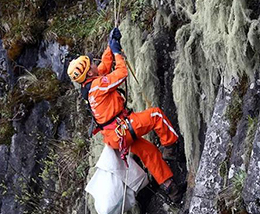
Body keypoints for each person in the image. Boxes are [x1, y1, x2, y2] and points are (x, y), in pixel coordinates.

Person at [67, 28, 186, 203]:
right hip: (122, 129)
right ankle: (170, 148)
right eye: (91, 63)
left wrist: (110, 44)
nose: (95, 63)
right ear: (89, 73)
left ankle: (171, 189)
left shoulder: (90, 85)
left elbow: (104, 66)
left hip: (115, 135)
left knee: (150, 152)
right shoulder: (98, 86)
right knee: (155, 115)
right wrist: (117, 53)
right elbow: (121, 73)